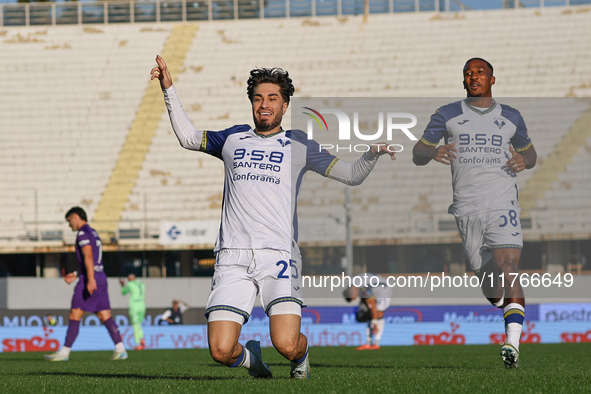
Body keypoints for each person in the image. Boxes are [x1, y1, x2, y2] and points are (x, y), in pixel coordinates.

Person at [150, 55, 395, 379]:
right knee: (222, 350)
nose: (264, 104)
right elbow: (189, 137)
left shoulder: (300, 144)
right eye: (258, 98)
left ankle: (301, 358)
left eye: (272, 98)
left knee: (287, 343)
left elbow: (350, 175)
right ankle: (254, 362)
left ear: (285, 104)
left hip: (279, 257)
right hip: (232, 258)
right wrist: (169, 89)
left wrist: (371, 153)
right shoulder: (233, 138)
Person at [412, 58, 537, 369]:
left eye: (480, 72)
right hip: (466, 209)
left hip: (503, 201)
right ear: (463, 81)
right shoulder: (447, 114)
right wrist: (432, 151)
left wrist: (524, 160)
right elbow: (417, 153)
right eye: (468, 73)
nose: (473, 76)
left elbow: (531, 154)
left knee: (509, 266)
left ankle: (512, 342)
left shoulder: (511, 116)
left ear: (492, 79)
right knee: (492, 288)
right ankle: (498, 300)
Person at [45, 207, 127, 361]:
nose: (69, 225)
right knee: (104, 315)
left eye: (69, 221)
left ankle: (64, 353)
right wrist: (77, 273)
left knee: (75, 313)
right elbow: (93, 259)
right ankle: (121, 349)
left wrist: (89, 279)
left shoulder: (82, 233)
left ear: (75, 217)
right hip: (100, 276)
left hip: (91, 278)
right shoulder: (93, 232)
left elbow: (88, 256)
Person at [343, 273, 391, 350]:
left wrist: (374, 322)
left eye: (354, 298)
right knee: (369, 314)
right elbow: (364, 300)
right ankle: (368, 343)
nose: (355, 299)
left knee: (378, 314)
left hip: (383, 289)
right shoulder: (353, 285)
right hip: (374, 287)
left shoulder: (364, 289)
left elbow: (373, 306)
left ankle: (376, 343)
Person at [119, 274, 146, 350]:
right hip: (142, 304)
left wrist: (122, 285)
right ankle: (142, 339)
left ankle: (138, 343)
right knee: (139, 324)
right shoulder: (142, 284)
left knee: (135, 325)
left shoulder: (130, 284)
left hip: (135, 305)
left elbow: (124, 293)